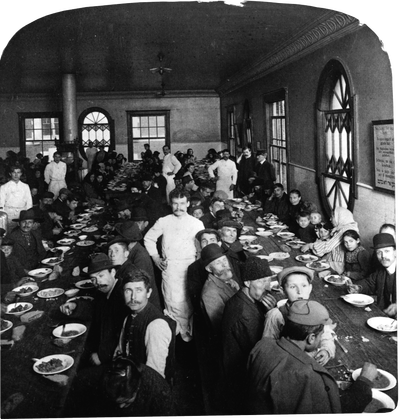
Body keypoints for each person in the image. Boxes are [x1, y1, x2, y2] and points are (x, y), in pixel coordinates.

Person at [247, 299, 377, 415]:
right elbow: (339, 410)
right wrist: (364, 382)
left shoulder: (262, 345)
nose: (321, 339)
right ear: (311, 338)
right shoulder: (307, 375)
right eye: (321, 335)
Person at [144, 188, 204, 342]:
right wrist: (156, 257)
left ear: (188, 203)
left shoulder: (197, 223)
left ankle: (190, 329)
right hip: (171, 267)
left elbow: (203, 246)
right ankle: (178, 331)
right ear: (170, 204)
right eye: (175, 204)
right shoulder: (164, 221)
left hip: (191, 265)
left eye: (182, 203)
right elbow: (149, 238)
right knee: (174, 300)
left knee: (190, 299)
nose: (179, 207)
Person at [220, 256, 276, 414]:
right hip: (239, 378)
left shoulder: (243, 298)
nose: (267, 287)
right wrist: (272, 314)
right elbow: (260, 352)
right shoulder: (244, 314)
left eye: (268, 280)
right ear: (247, 282)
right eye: (261, 281)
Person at [60, 253, 129, 366]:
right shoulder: (104, 291)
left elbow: (121, 335)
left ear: (113, 272)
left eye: (101, 276)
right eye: (93, 279)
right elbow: (94, 309)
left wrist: (102, 355)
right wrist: (75, 306)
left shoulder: (121, 297)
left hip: (114, 359)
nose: (98, 283)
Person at [263, 266, 336, 366]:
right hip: (288, 365)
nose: (299, 292)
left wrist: (326, 350)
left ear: (310, 288)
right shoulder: (276, 315)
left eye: (304, 286)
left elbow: (326, 335)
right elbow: (267, 347)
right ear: (282, 290)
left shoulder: (315, 310)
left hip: (313, 363)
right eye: (293, 287)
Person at [114, 269, 174, 380]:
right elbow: (121, 350)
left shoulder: (156, 326)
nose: (133, 297)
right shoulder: (129, 317)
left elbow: (155, 374)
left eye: (139, 290)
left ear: (148, 293)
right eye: (128, 290)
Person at [344, 233, 398, 317]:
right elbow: (369, 283)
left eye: (387, 251)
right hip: (383, 315)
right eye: (379, 252)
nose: (383, 256)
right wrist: (358, 287)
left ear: (395, 252)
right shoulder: (381, 271)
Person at [102, 356, 177, 417]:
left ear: (137, 389)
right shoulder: (108, 379)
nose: (121, 406)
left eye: (126, 402)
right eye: (118, 402)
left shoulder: (160, 393)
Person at [108, 235, 161, 310]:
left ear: (126, 253)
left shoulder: (129, 274)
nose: (112, 255)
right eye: (110, 251)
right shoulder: (120, 269)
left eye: (117, 250)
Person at [200, 243, 240, 334]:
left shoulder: (226, 279)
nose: (224, 265)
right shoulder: (210, 294)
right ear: (209, 269)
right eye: (218, 263)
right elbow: (222, 327)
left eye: (224, 260)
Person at [305, 206, 359, 274]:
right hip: (333, 260)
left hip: (337, 265)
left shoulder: (345, 229)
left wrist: (310, 245)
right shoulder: (349, 226)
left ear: (340, 217)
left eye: (332, 216)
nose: (330, 219)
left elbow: (328, 247)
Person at [0, 164, 33, 230]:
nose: (16, 175)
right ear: (10, 173)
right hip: (9, 213)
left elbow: (29, 202)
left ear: (21, 174)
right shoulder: (4, 187)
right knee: (9, 231)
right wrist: (4, 216)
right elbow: (1, 203)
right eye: (14, 172)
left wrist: (26, 215)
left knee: (21, 231)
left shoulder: (25, 186)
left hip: (22, 213)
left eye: (18, 172)